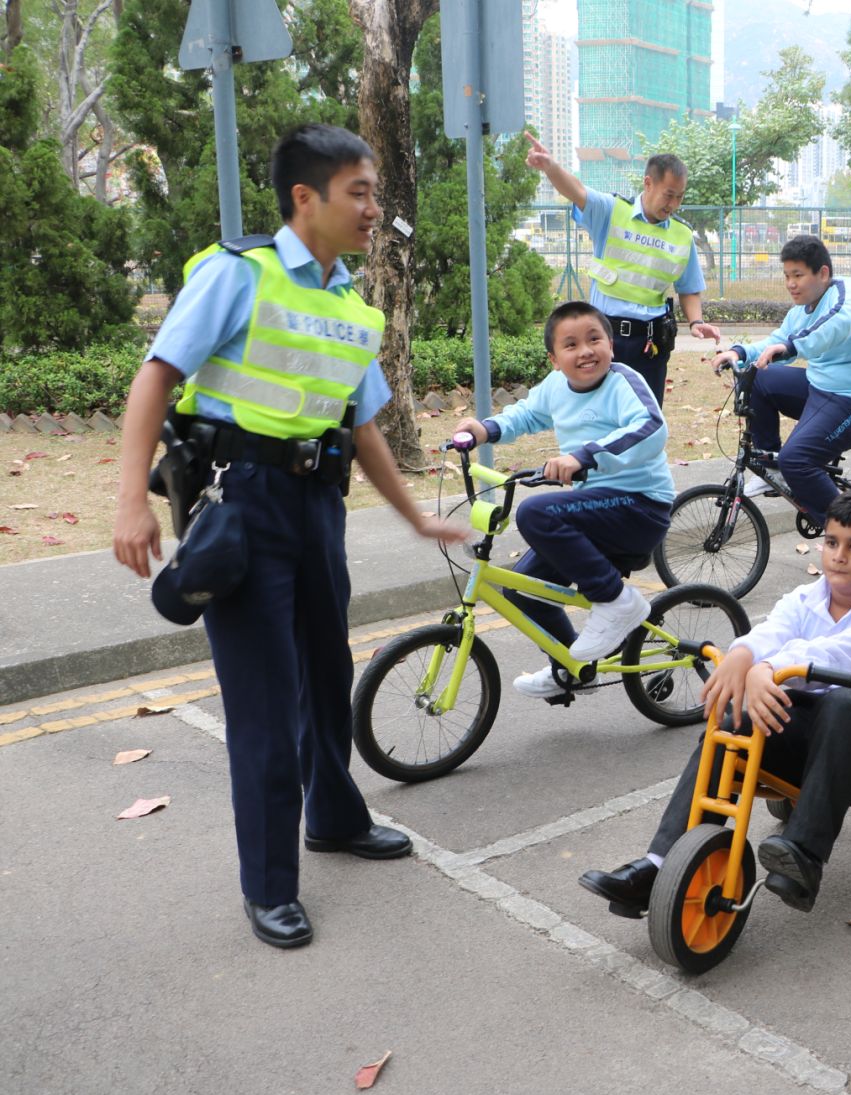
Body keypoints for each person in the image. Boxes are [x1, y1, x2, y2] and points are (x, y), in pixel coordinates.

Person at [110, 124, 469, 949]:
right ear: (305, 198)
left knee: (324, 671)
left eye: (376, 192)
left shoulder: (350, 306)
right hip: (243, 502)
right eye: (361, 192)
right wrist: (131, 497)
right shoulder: (242, 274)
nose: (375, 208)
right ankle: (270, 885)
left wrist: (413, 515)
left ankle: (334, 820)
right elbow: (158, 375)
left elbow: (363, 423)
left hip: (317, 505)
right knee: (266, 702)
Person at [579, 489, 851, 915]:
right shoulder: (805, 598)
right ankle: (658, 865)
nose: (839, 556)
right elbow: (770, 633)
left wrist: (766, 669)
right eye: (832, 542)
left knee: (843, 703)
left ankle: (804, 856)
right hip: (818, 736)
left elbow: (837, 656)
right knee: (732, 718)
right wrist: (743, 656)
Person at [453, 302, 675, 689]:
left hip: (639, 506)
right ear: (555, 359)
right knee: (520, 590)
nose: (585, 351)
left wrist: (583, 456)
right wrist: (483, 429)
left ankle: (616, 601)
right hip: (593, 510)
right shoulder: (556, 386)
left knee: (537, 512)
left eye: (594, 339)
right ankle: (572, 667)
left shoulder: (623, 382)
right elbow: (525, 415)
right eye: (571, 345)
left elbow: (650, 428)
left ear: (611, 344)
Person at [524, 133, 721, 408]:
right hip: (605, 339)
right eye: (668, 195)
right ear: (648, 183)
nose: (673, 204)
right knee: (599, 414)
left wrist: (697, 322)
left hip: (651, 344)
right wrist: (550, 167)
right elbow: (577, 191)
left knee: (645, 418)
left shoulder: (682, 235)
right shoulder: (611, 211)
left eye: (679, 197)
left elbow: (688, 288)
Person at [712, 235, 851, 519]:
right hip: (821, 388)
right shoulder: (801, 310)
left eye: (798, 275)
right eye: (786, 276)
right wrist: (739, 353)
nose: (790, 284)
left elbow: (835, 326)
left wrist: (792, 346)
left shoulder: (850, 294)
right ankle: (771, 466)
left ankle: (849, 537)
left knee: (796, 459)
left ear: (822, 273)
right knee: (758, 376)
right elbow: (778, 341)